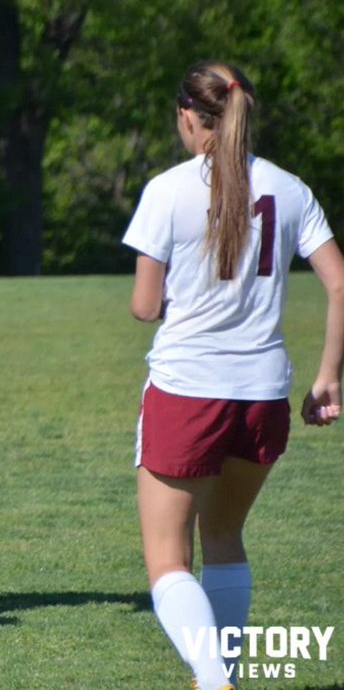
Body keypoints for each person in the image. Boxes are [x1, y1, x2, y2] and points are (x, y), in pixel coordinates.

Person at [123, 61, 344, 690]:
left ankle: (214, 679)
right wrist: (328, 377)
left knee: (169, 562)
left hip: (188, 391)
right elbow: (340, 281)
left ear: (189, 116)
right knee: (225, 538)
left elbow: (144, 306)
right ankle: (221, 676)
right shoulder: (290, 187)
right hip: (264, 394)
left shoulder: (167, 190)